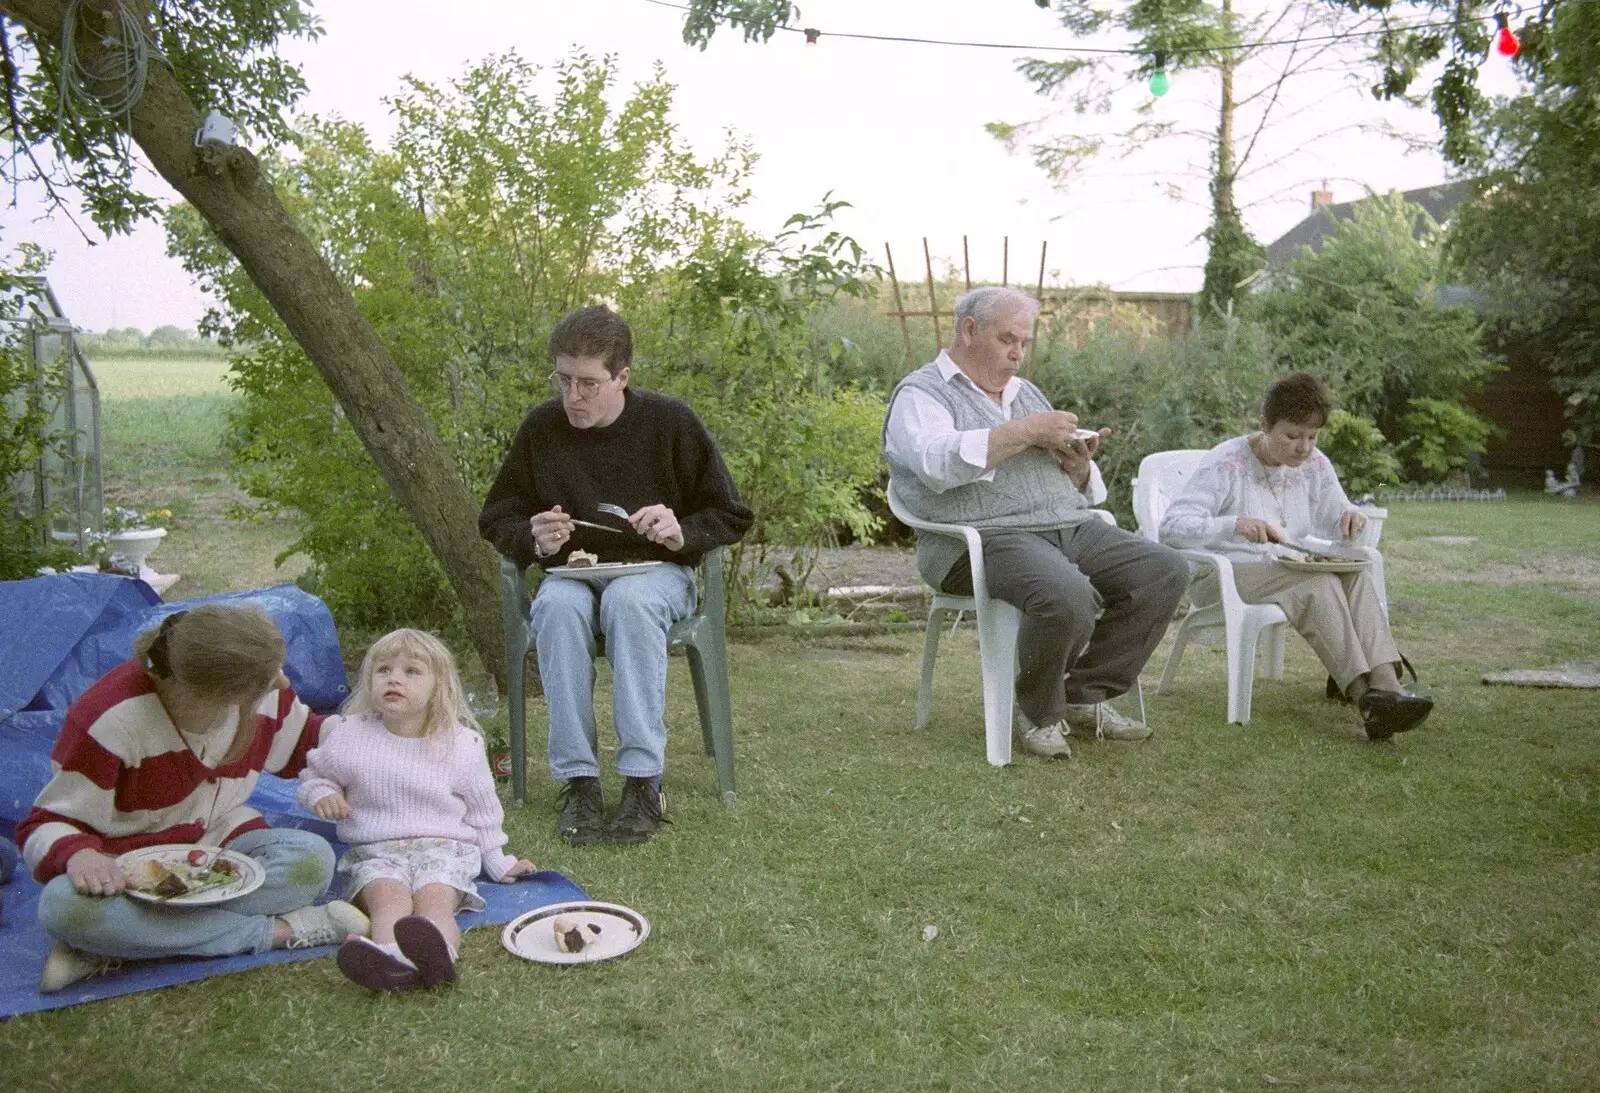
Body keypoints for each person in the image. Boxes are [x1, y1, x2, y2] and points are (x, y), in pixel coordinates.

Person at [479, 305, 753, 846]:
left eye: (588, 383)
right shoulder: (542, 428)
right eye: (563, 380)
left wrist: (680, 531)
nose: (572, 397)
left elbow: (730, 514)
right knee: (554, 608)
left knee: (629, 603)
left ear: (622, 378)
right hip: (573, 574)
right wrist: (533, 536)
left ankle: (642, 780)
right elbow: (496, 516)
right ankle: (579, 780)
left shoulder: (670, 422)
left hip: (656, 573)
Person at [883, 286, 1190, 759]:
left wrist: (1078, 465)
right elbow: (936, 465)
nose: (1017, 354)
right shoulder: (921, 395)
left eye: (1024, 344)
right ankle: (1039, 711)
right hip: (981, 538)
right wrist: (1026, 431)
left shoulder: (1025, 394)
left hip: (1065, 524)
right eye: (1008, 340)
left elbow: (1084, 487)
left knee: (1164, 570)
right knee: (1065, 593)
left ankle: (1083, 697)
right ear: (969, 329)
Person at [17, 604, 369, 994]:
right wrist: (79, 855)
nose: (283, 685)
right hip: (126, 871)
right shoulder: (110, 719)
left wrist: (378, 735)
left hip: (218, 848)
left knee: (312, 860)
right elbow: (43, 824)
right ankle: (282, 931)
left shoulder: (259, 693)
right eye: (269, 680)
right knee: (63, 908)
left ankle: (118, 945)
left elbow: (307, 742)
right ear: (216, 695)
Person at [1157, 371, 1434, 740]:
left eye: (1312, 436)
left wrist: (1349, 516)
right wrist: (1233, 524)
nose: (1303, 448)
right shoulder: (1227, 463)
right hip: (1222, 577)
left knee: (1355, 573)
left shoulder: (1314, 463)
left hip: (1283, 570)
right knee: (1317, 584)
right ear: (1264, 425)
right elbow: (1171, 527)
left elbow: (1335, 514)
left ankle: (1388, 688)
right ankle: (1364, 697)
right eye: (1292, 436)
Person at [297, 628, 537, 992]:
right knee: (388, 899)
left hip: (444, 848)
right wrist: (322, 794)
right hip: (376, 850)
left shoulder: (460, 744)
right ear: (369, 680)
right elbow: (315, 776)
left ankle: (440, 958)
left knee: (433, 901)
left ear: (438, 687)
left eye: (411, 671)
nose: (394, 678)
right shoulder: (350, 736)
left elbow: (483, 812)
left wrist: (498, 860)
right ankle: (389, 961)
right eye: (384, 670)